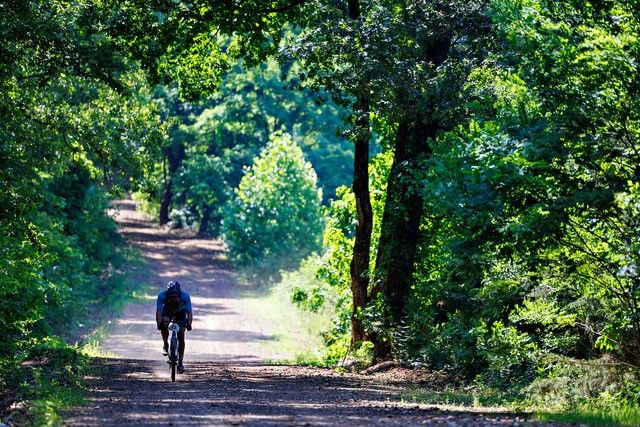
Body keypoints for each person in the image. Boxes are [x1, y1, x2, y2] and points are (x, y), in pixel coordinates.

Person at [156, 281, 192, 374]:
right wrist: (159, 324)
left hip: (181, 313)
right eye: (172, 296)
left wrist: (189, 323)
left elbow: (189, 313)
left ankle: (180, 362)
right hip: (167, 311)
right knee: (164, 324)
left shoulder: (185, 296)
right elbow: (159, 312)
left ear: (179, 294)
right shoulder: (162, 296)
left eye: (176, 296)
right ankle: (165, 344)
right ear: (168, 294)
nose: (174, 298)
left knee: (181, 335)